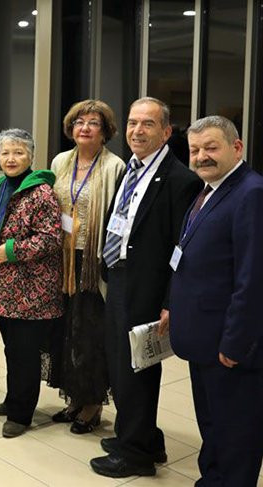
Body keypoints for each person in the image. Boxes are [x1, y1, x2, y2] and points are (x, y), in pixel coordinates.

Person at [90, 97, 201, 478]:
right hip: (119, 279)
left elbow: (181, 248)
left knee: (137, 371)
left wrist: (170, 301)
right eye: (134, 123)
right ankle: (143, 437)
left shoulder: (180, 180)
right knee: (121, 367)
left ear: (166, 132)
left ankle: (134, 454)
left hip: (147, 290)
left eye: (148, 124)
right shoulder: (131, 169)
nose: (138, 131)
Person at [169, 115, 263, 486]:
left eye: (211, 147)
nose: (201, 156)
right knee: (213, 423)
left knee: (237, 431)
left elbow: (253, 279)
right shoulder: (207, 190)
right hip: (203, 337)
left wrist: (236, 341)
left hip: (229, 344)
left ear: (236, 148)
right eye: (194, 150)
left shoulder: (251, 193)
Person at [48, 100, 125, 434]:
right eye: (79, 121)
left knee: (90, 333)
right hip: (61, 258)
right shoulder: (61, 161)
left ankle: (92, 404)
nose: (85, 128)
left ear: (105, 131)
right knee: (64, 330)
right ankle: (74, 398)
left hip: (92, 261)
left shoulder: (115, 167)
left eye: (93, 123)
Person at [0, 128, 63, 438]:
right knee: (11, 348)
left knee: (25, 352)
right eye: (5, 152)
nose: (11, 158)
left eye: (18, 152)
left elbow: (51, 238)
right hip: (4, 285)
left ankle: (21, 414)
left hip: (31, 288)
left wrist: (13, 250)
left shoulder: (40, 192)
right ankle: (13, 398)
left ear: (30, 155)